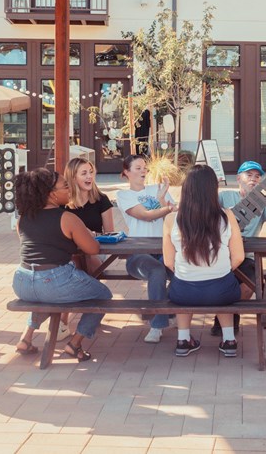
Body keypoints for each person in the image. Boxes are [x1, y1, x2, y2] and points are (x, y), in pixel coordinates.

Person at [12, 168, 113, 361]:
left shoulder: (23, 218)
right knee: (104, 295)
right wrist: (87, 234)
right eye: (65, 186)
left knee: (45, 296)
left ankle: (26, 338)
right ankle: (75, 344)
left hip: (22, 282)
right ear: (50, 194)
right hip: (54, 281)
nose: (70, 189)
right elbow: (92, 249)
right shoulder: (67, 218)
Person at [163, 165, 245, 358]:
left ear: (186, 189)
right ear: (212, 189)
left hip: (183, 292)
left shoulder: (171, 219)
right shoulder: (227, 216)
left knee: (181, 284)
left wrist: (190, 272)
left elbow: (168, 261)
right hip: (221, 291)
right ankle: (229, 340)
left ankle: (183, 340)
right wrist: (221, 269)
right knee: (224, 284)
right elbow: (239, 256)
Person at [215, 160, 266, 336]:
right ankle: (227, 321)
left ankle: (227, 318)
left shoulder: (263, 202)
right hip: (222, 254)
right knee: (216, 282)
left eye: (257, 176)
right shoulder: (224, 196)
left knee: (249, 286)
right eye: (249, 175)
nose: (253, 179)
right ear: (238, 178)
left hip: (248, 256)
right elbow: (206, 212)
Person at [116, 154, 177, 344]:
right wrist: (167, 207)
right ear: (126, 172)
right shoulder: (124, 195)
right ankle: (157, 325)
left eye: (145, 167)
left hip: (164, 249)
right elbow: (145, 216)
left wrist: (161, 197)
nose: (143, 171)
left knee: (184, 273)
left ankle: (163, 310)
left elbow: (172, 215)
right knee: (157, 271)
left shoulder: (158, 189)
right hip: (139, 253)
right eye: (138, 168)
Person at [56, 157, 114, 339]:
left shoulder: (102, 200)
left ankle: (63, 321)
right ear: (73, 178)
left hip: (96, 252)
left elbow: (110, 235)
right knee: (73, 265)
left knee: (77, 267)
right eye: (84, 173)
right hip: (69, 255)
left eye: (91, 172)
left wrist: (91, 235)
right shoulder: (63, 204)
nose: (90, 176)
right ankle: (86, 316)